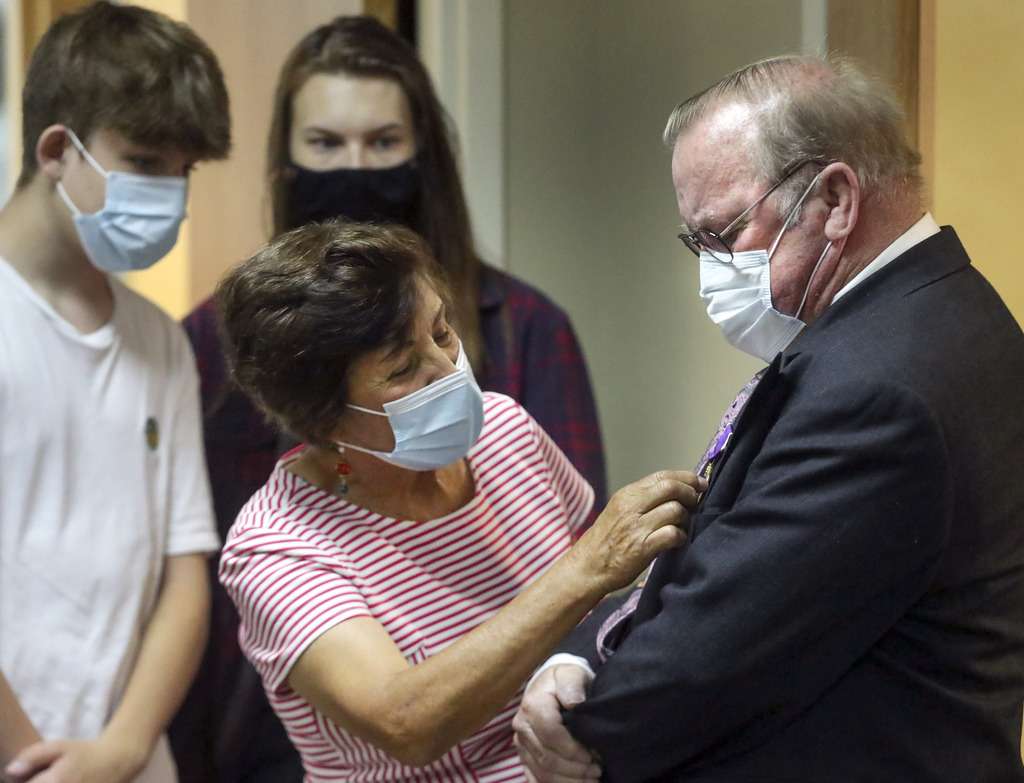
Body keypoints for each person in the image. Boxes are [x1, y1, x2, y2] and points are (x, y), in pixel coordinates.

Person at [513, 54, 1024, 782]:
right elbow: (706, 561)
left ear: (837, 200)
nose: (709, 271)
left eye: (722, 234)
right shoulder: (940, 312)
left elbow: (708, 650)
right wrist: (575, 651)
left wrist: (575, 717)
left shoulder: (880, 389)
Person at [172, 16, 606, 781]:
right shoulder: (212, 348)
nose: (355, 170)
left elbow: (582, 577)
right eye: (327, 145)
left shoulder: (522, 355)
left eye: (381, 143)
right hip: (290, 730)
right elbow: (398, 713)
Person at [213, 219, 701, 781]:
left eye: (442, 333)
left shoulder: (505, 432)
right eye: (402, 369)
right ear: (321, 418)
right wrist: (589, 566)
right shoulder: (276, 547)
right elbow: (407, 722)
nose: (448, 371)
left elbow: (599, 619)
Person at [0, 3, 230, 782]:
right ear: (57, 150)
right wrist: (30, 758)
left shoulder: (162, 340)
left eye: (183, 170)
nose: (169, 193)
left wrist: (124, 746)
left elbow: (184, 569)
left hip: (131, 758)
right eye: (144, 161)